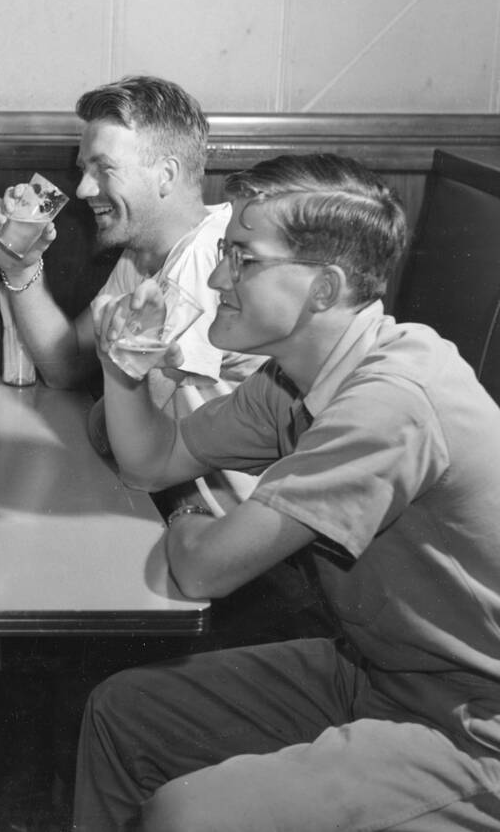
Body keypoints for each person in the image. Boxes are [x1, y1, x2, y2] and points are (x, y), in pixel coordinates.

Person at [74, 153, 500, 831]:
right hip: (380, 674)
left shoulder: (390, 399)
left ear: (323, 290)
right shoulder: (294, 378)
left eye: (243, 258)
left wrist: (185, 508)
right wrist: (122, 367)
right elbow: (153, 459)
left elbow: (201, 565)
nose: (217, 278)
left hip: (475, 726)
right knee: (121, 713)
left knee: (191, 814)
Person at [0, 75, 261, 511]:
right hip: (167, 503)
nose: (82, 189)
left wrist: (111, 390)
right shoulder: (143, 252)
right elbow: (65, 364)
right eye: (83, 170)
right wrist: (21, 268)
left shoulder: (205, 260)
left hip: (219, 527)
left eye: (103, 169)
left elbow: (117, 437)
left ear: (166, 174)